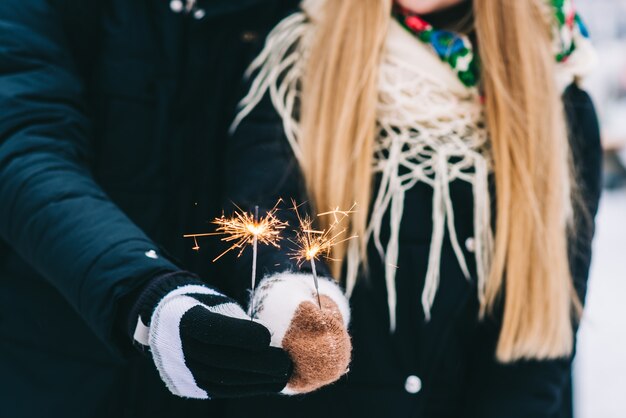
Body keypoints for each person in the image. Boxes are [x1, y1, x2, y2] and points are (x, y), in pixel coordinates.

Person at [220, 0, 603, 417]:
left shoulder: (557, 88)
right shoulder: (301, 54)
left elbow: (539, 350)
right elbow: (264, 208)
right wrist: (291, 294)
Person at [0, 0, 350, 417]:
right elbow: (26, 148)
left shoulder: (291, 15)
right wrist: (146, 291)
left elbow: (273, 169)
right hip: (49, 361)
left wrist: (285, 287)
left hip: (215, 377)